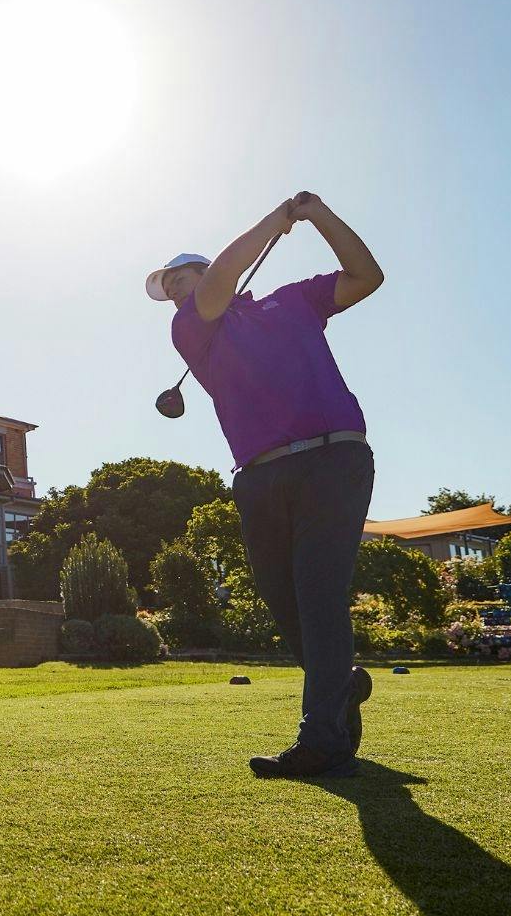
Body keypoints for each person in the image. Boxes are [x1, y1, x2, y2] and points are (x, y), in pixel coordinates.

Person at [145, 192, 384, 779]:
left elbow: (367, 276)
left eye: (179, 278)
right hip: (259, 474)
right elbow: (221, 279)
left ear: (199, 270)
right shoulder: (189, 331)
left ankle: (322, 740)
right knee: (284, 602)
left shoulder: (292, 300)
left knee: (319, 595)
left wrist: (317, 214)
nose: (175, 292)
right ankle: (341, 683)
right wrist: (274, 221)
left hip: (335, 459)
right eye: (169, 288)